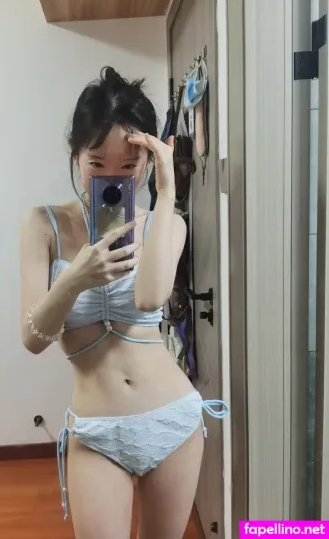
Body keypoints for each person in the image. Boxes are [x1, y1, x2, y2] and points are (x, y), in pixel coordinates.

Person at [19, 67, 229, 539]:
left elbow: (150, 297)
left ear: (147, 162)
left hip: (171, 418)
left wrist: (167, 192)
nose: (112, 178)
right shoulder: (43, 225)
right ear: (75, 156)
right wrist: (76, 278)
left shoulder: (167, 223)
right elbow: (32, 338)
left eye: (129, 166)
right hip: (96, 431)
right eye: (96, 164)